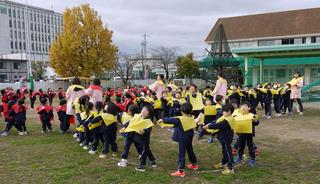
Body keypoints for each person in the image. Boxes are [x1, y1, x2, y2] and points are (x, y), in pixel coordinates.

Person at [159, 103, 198, 177]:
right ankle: (194, 164)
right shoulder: (191, 117)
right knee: (190, 149)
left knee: (181, 153)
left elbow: (170, 120)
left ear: (182, 111)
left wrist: (162, 119)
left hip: (183, 137)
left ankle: (181, 171)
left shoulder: (180, 119)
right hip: (190, 135)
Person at [121, 105, 157, 172]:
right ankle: (153, 161)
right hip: (137, 137)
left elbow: (148, 129)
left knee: (144, 151)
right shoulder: (138, 116)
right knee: (147, 150)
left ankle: (141, 166)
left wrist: (144, 131)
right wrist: (125, 127)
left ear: (149, 113)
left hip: (144, 139)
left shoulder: (148, 121)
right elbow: (131, 121)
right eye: (143, 109)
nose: (143, 111)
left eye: (146, 111)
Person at [203, 103, 235, 175]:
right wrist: (209, 124)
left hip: (226, 138)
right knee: (224, 150)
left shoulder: (228, 120)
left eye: (224, 111)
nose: (223, 112)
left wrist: (208, 126)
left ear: (229, 111)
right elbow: (216, 121)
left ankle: (230, 168)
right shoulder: (224, 117)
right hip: (222, 137)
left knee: (228, 151)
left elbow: (218, 125)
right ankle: (224, 162)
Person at [233, 101, 259, 166]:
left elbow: (256, 123)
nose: (243, 107)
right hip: (241, 134)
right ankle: (239, 157)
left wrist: (255, 121)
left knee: (250, 146)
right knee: (241, 146)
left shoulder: (252, 115)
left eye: (245, 106)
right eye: (241, 106)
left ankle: (252, 158)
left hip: (249, 134)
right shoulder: (237, 116)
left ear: (249, 108)